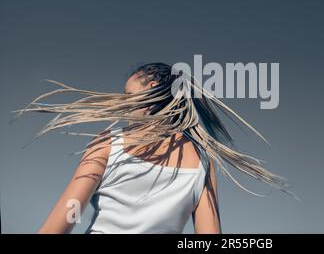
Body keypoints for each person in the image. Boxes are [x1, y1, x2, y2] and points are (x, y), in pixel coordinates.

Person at [12, 62, 297, 234]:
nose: (122, 104)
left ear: (149, 92)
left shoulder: (107, 144)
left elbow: (57, 226)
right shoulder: (203, 162)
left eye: (127, 94)